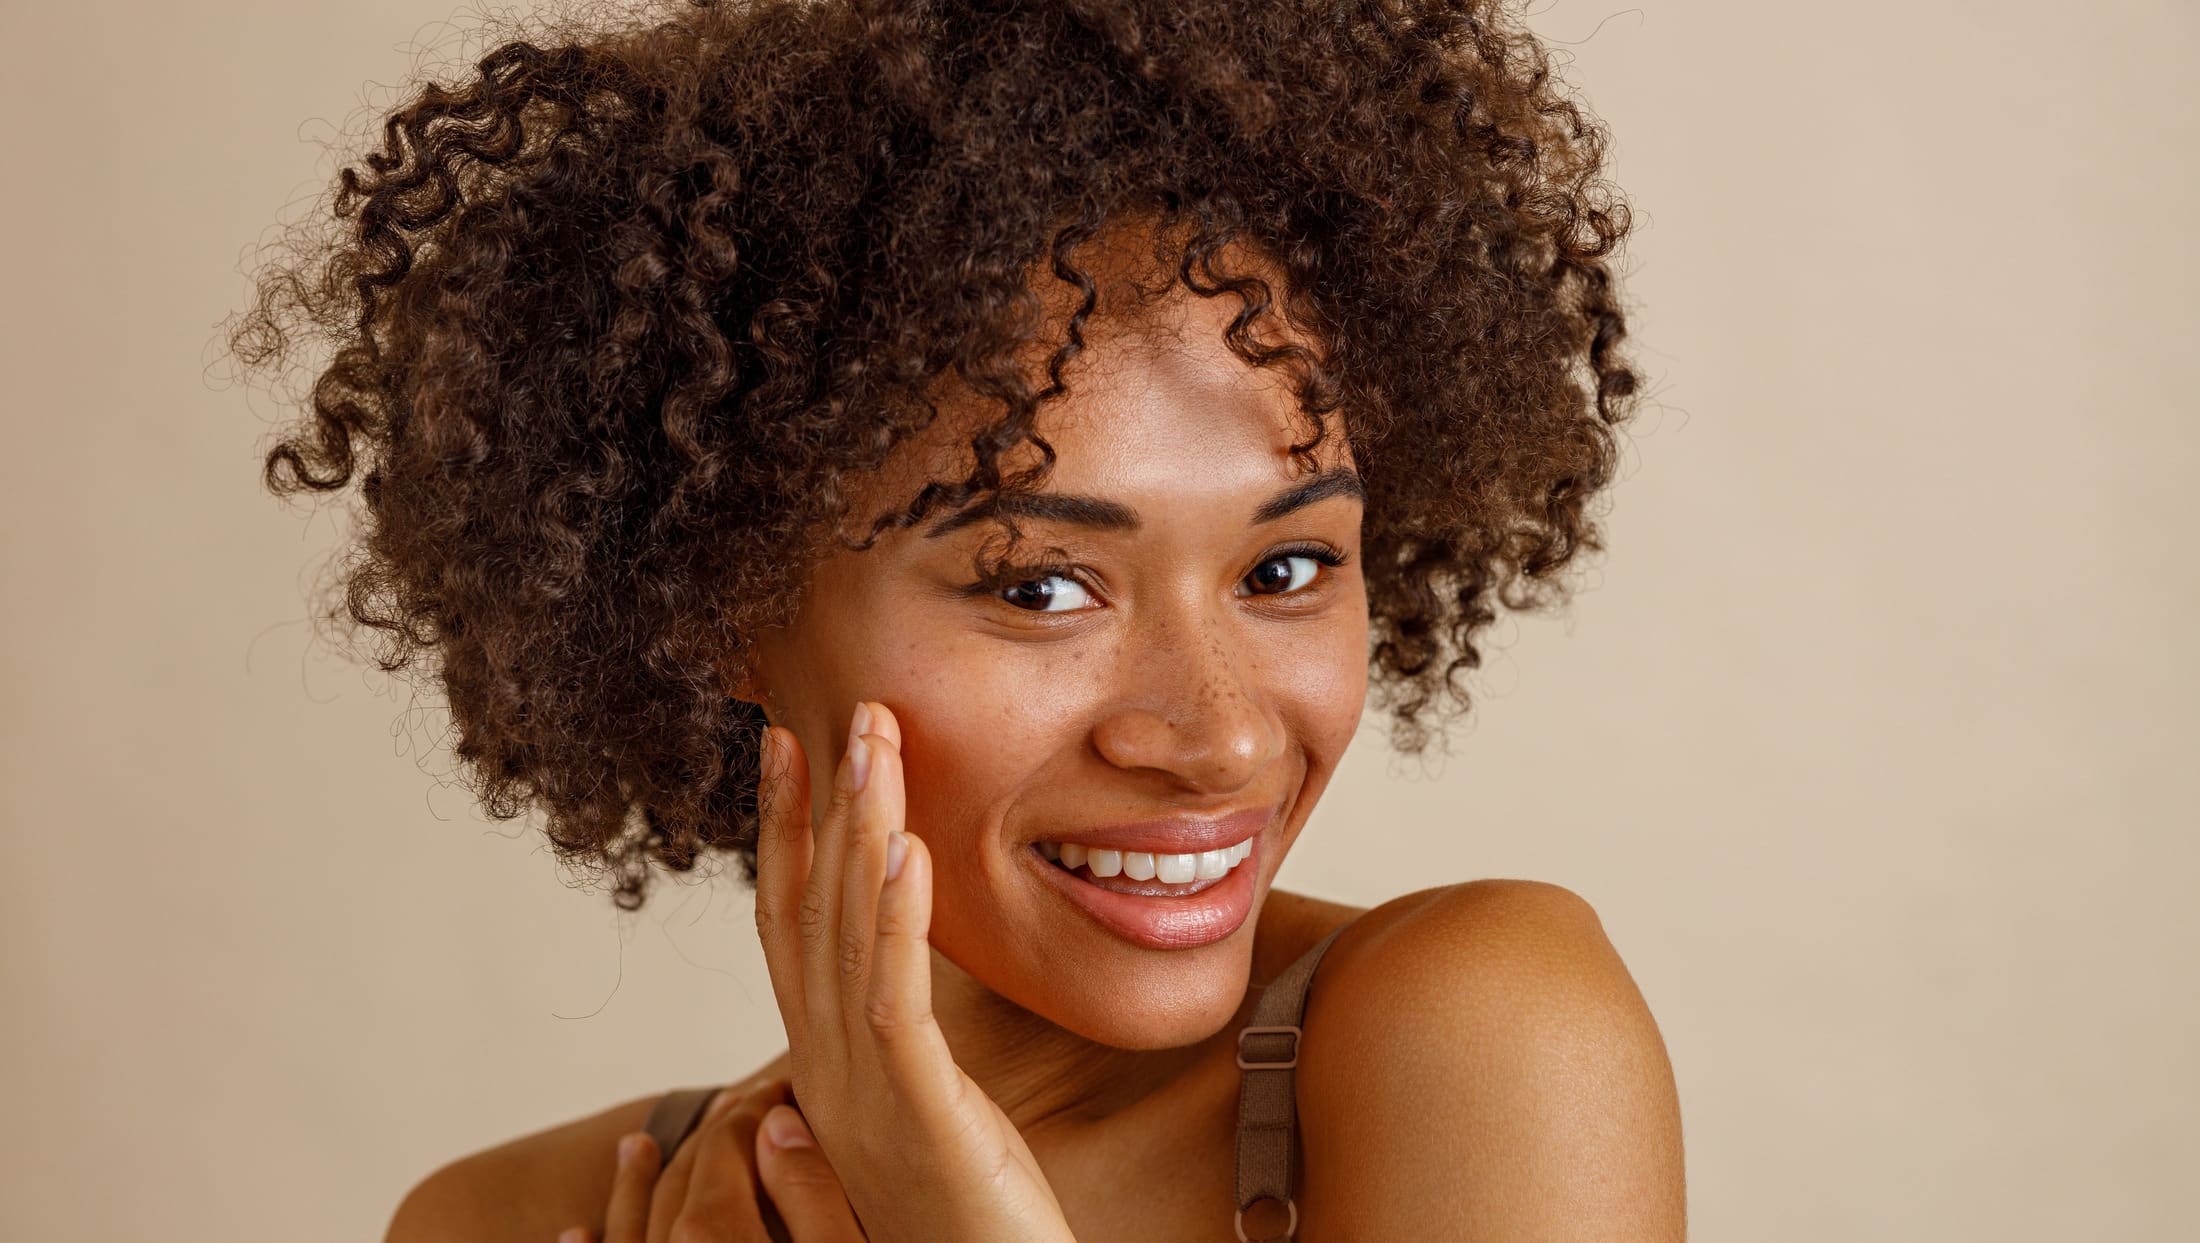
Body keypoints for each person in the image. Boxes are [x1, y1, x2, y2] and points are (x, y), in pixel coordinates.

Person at [226, 0, 1684, 1237]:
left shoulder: (1481, 1039)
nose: (1221, 736)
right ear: (713, 602)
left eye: (1286, 570)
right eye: (1042, 587)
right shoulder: (519, 1219)